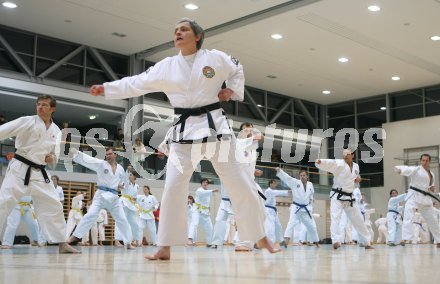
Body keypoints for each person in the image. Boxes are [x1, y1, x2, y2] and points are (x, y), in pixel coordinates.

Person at [89, 18, 278, 260]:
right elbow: (137, 82)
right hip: (183, 132)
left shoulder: (215, 58)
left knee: (240, 182)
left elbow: (237, 68)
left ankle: (260, 236)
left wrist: (230, 89)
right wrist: (107, 88)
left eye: (184, 29)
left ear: (197, 36)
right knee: (173, 187)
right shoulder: (167, 66)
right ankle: (164, 246)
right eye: (176, 30)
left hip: (215, 130)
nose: (178, 32)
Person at [0, 95, 79, 253]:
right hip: (20, 167)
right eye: (38, 105)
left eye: (44, 105)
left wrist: (52, 158)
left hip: (39, 172)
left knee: (54, 204)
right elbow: (4, 130)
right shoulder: (27, 121)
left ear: (52, 109)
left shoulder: (56, 130)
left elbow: (55, 154)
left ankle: (62, 243)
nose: (40, 107)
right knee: (4, 202)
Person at [66, 148, 135, 249]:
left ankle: (128, 242)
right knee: (90, 215)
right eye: (106, 154)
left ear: (115, 155)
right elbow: (90, 160)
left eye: (110, 154)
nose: (108, 156)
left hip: (114, 197)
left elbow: (122, 182)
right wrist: (78, 154)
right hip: (101, 195)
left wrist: (120, 186)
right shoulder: (101, 164)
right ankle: (75, 236)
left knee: (122, 219)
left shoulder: (120, 168)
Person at [315, 149, 373, 249]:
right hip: (337, 196)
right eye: (344, 154)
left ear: (352, 156)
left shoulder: (356, 166)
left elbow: (355, 176)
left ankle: (366, 242)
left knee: (358, 219)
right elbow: (331, 163)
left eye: (347, 154)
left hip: (350, 197)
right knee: (335, 218)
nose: (345, 156)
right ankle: (336, 241)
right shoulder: (340, 164)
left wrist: (358, 178)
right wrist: (321, 162)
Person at [395, 154, 440, 248]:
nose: (425, 162)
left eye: (427, 160)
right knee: (408, 213)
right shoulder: (417, 169)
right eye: (423, 160)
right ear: (421, 161)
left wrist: (432, 188)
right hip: (414, 195)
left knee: (433, 220)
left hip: (425, 198)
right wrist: (400, 170)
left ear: (429, 161)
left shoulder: (431, 174)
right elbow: (408, 169)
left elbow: (430, 186)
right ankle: (405, 238)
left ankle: (439, 240)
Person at [277, 168, 320, 248]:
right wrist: (280, 171)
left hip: (306, 209)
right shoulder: (295, 182)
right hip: (296, 207)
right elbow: (287, 178)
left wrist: (311, 204)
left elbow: (311, 195)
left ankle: (317, 242)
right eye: (301, 175)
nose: (302, 177)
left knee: (312, 226)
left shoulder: (310, 184)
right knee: (291, 223)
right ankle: (286, 240)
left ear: (307, 176)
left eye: (304, 175)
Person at [188, 178, 218, 246]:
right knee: (194, 224)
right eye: (204, 182)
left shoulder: (208, 191)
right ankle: (190, 240)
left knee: (209, 228)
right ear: (201, 183)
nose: (205, 183)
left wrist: (207, 208)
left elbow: (206, 202)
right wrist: (213, 190)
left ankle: (209, 243)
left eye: (206, 182)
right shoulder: (199, 190)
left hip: (205, 213)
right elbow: (203, 193)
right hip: (197, 211)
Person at [114, 171, 140, 247]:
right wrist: (119, 186)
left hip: (131, 205)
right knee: (120, 220)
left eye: (131, 175)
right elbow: (121, 185)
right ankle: (117, 240)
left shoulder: (137, 186)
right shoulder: (126, 182)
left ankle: (136, 240)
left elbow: (135, 196)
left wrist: (135, 199)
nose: (129, 176)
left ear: (135, 177)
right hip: (123, 203)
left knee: (134, 223)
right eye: (129, 175)